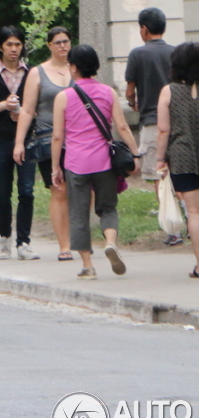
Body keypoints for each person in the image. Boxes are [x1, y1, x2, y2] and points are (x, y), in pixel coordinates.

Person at [50, 44, 139, 279]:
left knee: (79, 213)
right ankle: (110, 242)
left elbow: (58, 136)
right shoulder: (108, 92)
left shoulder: (63, 97)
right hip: (104, 163)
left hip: (76, 164)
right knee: (107, 208)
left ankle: (88, 266)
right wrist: (135, 154)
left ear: (74, 67)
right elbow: (121, 126)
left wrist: (55, 168)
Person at [0, 26, 39, 260]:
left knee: (27, 190)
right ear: (0, 46)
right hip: (2, 139)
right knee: (3, 192)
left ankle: (24, 242)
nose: (14, 49)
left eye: (18, 44)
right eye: (9, 44)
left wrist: (23, 114)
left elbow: (39, 106)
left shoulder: (32, 73)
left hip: (28, 139)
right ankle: (5, 239)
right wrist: (4, 105)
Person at [13, 26, 74, 261]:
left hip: (79, 139)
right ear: (49, 45)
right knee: (59, 191)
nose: (62, 46)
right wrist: (19, 142)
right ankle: (64, 245)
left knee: (83, 192)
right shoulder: (38, 73)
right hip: (49, 140)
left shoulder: (77, 69)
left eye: (66, 41)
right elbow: (27, 110)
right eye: (57, 42)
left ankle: (78, 236)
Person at [124, 7, 179, 244]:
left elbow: (129, 90)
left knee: (159, 176)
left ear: (144, 29)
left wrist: (132, 102)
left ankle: (172, 230)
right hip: (178, 121)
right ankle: (189, 215)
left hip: (151, 122)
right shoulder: (176, 53)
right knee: (181, 173)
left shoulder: (137, 55)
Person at [155, 42, 199, 278]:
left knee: (195, 212)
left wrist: (160, 159)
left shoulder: (169, 91)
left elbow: (163, 130)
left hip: (183, 156)